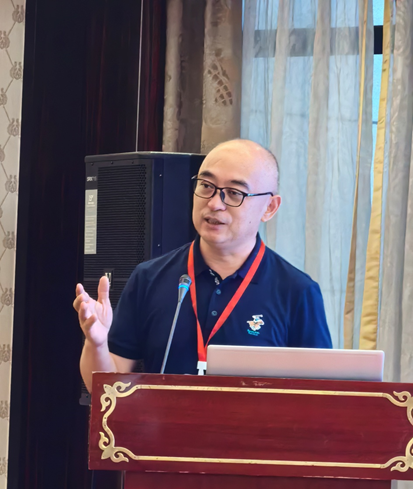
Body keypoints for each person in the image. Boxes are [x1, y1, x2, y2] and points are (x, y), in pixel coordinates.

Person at [74, 139, 332, 392]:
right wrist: (96, 344)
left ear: (269, 207)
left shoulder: (297, 292)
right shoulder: (149, 278)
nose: (214, 203)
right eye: (206, 186)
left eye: (234, 193)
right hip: (163, 422)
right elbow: (106, 388)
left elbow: (321, 398)